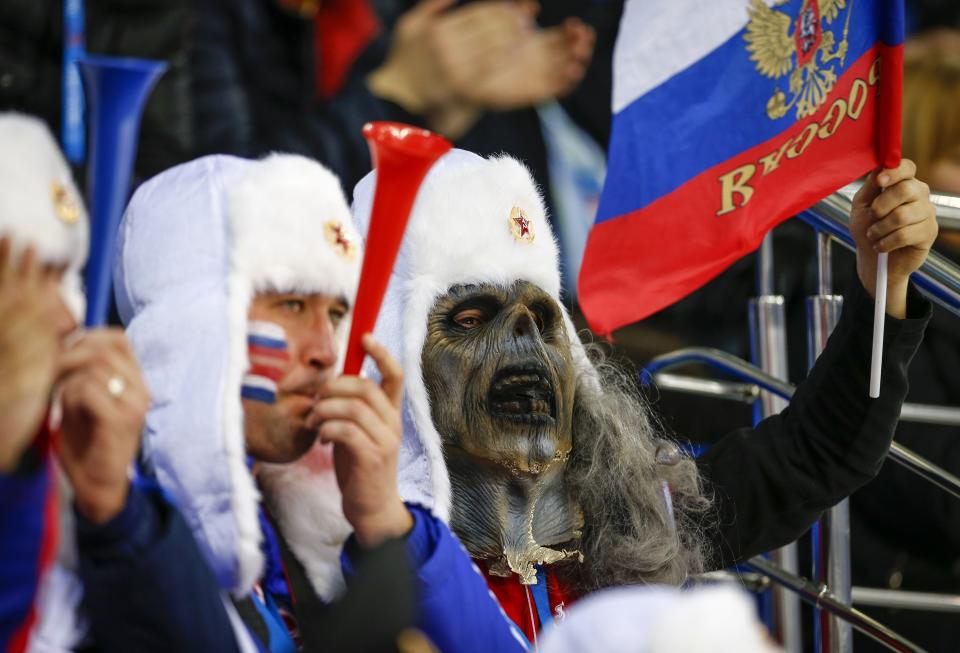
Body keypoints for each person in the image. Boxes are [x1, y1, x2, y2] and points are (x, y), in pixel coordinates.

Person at [349, 149, 937, 641]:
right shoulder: (342, 553)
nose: (523, 342)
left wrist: (882, 285)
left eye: (541, 318)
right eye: (473, 320)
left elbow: (819, 452)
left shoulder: (630, 514)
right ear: (397, 362)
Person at [112, 152, 528, 652]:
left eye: (335, 313)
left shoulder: (298, 509)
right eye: (290, 305)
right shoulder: (107, 517)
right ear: (193, 325)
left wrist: (386, 520)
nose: (325, 351)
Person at [0, 113, 237, 653]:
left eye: (70, 277)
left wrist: (117, 514)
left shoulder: (78, 456)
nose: (67, 316)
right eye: (33, 278)